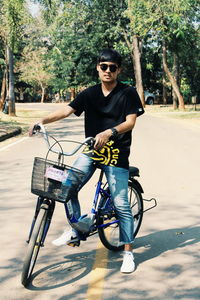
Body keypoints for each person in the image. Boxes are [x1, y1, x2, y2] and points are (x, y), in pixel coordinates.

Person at [29, 48, 144, 273]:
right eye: (104, 67)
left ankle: (128, 252)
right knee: (66, 185)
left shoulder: (127, 93)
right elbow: (66, 110)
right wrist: (41, 120)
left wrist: (110, 132)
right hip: (91, 151)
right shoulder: (90, 93)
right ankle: (75, 228)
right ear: (98, 68)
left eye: (112, 67)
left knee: (121, 204)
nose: (108, 71)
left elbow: (130, 122)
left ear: (118, 70)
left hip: (116, 154)